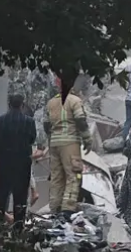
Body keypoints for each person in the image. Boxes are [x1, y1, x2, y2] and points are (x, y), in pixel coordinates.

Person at [44, 77, 93, 218]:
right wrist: (87, 139)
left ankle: (55, 208)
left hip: (54, 143)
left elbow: (46, 125)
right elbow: (80, 120)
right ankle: (68, 209)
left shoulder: (51, 102)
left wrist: (51, 138)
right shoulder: (74, 101)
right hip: (70, 142)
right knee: (74, 175)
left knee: (56, 177)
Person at [0, 94, 37, 225]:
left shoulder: (0, 120)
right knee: (20, 198)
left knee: (1, 196)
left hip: (4, 162)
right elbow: (32, 139)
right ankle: (18, 228)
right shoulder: (29, 122)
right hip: (22, 164)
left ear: (9, 104)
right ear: (22, 105)